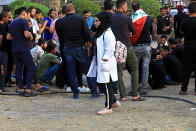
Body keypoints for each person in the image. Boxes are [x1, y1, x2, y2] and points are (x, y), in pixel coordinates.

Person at [55, 3, 92, 99]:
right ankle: (93, 89)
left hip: (67, 48)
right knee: (87, 68)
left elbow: (60, 36)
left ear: (65, 11)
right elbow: (87, 35)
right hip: (79, 47)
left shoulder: (60, 21)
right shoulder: (80, 19)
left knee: (70, 70)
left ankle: (75, 92)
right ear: (74, 9)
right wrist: (88, 47)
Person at [87, 11, 121, 115]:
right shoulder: (101, 32)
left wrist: (104, 60)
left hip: (105, 63)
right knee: (101, 82)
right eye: (95, 21)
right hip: (99, 62)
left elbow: (110, 47)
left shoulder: (107, 33)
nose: (95, 23)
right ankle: (114, 101)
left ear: (103, 21)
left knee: (106, 83)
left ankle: (108, 106)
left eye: (97, 21)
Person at [111, 0, 144, 100]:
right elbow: (133, 32)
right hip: (126, 46)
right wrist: (129, 33)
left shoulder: (111, 18)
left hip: (116, 47)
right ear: (122, 6)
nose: (127, 7)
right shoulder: (126, 18)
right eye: (126, 5)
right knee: (134, 68)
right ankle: (135, 94)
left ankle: (123, 96)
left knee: (119, 72)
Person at [7, 7, 36, 97]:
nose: (28, 17)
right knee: (31, 67)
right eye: (28, 15)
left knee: (18, 70)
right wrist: (31, 36)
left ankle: (21, 90)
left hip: (14, 50)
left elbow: (8, 37)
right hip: (23, 49)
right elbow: (27, 35)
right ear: (24, 14)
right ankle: (28, 89)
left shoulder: (12, 22)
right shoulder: (23, 21)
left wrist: (16, 38)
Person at [131, 1, 153, 95]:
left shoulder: (131, 18)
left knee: (134, 69)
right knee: (145, 68)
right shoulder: (148, 18)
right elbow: (151, 31)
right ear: (141, 7)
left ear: (133, 9)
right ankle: (143, 89)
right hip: (146, 46)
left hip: (135, 47)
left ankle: (133, 89)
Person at [180, 2, 196, 95]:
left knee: (187, 69)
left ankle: (183, 89)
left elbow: (181, 31)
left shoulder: (185, 21)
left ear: (189, 11)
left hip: (188, 47)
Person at [0, 11, 9, 92]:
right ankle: (1, 87)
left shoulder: (5, 25)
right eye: (7, 17)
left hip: (4, 50)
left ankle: (2, 86)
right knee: (3, 69)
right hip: (2, 50)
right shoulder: (2, 26)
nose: (8, 18)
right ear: (4, 18)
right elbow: (1, 37)